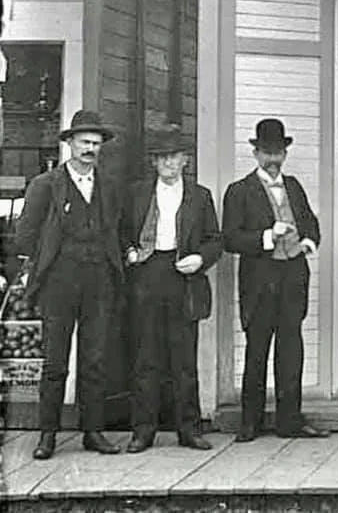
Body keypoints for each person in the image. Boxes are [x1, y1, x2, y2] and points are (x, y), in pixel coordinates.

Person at [14, 110, 125, 460]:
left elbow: (117, 232)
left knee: (94, 359)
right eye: (84, 143)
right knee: (55, 361)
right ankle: (48, 434)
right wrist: (48, 265)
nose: (90, 149)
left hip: (99, 282)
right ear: (70, 144)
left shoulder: (109, 185)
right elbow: (25, 237)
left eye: (96, 144)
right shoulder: (45, 185)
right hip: (59, 283)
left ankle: (92, 431)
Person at [222, 118, 330, 441]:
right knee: (256, 353)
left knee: (291, 353)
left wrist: (306, 245)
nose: (273, 159)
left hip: (292, 281)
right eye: (267, 152)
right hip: (259, 283)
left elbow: (312, 226)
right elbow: (230, 239)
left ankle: (289, 421)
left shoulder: (294, 186)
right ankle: (249, 423)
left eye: (278, 153)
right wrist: (268, 236)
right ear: (255, 154)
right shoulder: (239, 191)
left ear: (285, 154)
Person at [122, 125, 222, 452]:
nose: (168, 162)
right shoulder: (136, 193)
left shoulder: (200, 195)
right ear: (154, 162)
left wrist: (199, 259)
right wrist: (130, 252)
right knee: (146, 358)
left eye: (174, 157)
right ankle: (143, 430)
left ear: (185, 161)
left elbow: (215, 241)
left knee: (183, 358)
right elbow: (120, 233)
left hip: (183, 277)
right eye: (162, 157)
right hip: (147, 275)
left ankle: (189, 429)